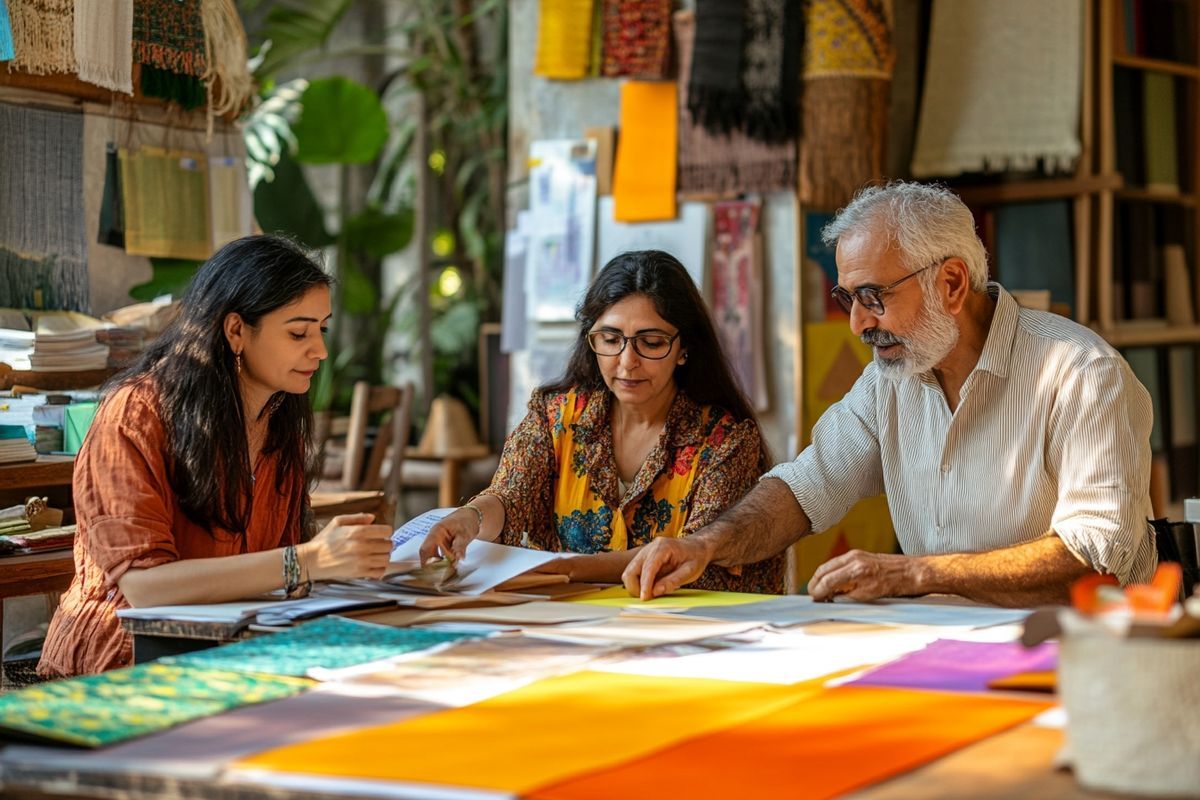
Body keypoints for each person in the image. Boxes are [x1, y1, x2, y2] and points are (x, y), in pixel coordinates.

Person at [623, 182, 1157, 607]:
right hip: (942, 645)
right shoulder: (890, 381)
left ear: (950, 284)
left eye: (873, 297)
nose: (857, 324)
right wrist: (704, 545)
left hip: (1083, 657)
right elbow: (808, 485)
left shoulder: (1082, 374)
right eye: (848, 297)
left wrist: (912, 573)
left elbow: (1094, 560)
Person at [39, 236, 394, 678]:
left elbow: (277, 572)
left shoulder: (277, 416)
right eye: (298, 332)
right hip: (129, 664)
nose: (319, 350)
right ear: (236, 331)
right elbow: (145, 588)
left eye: (321, 329)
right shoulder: (134, 415)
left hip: (233, 652)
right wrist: (307, 560)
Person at [420, 250, 786, 593]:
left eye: (652, 342)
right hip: (567, 626)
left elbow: (691, 556)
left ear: (684, 348)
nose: (627, 362)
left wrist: (568, 569)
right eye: (610, 339)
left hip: (676, 634)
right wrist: (469, 517)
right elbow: (511, 497)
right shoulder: (555, 418)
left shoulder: (725, 441)